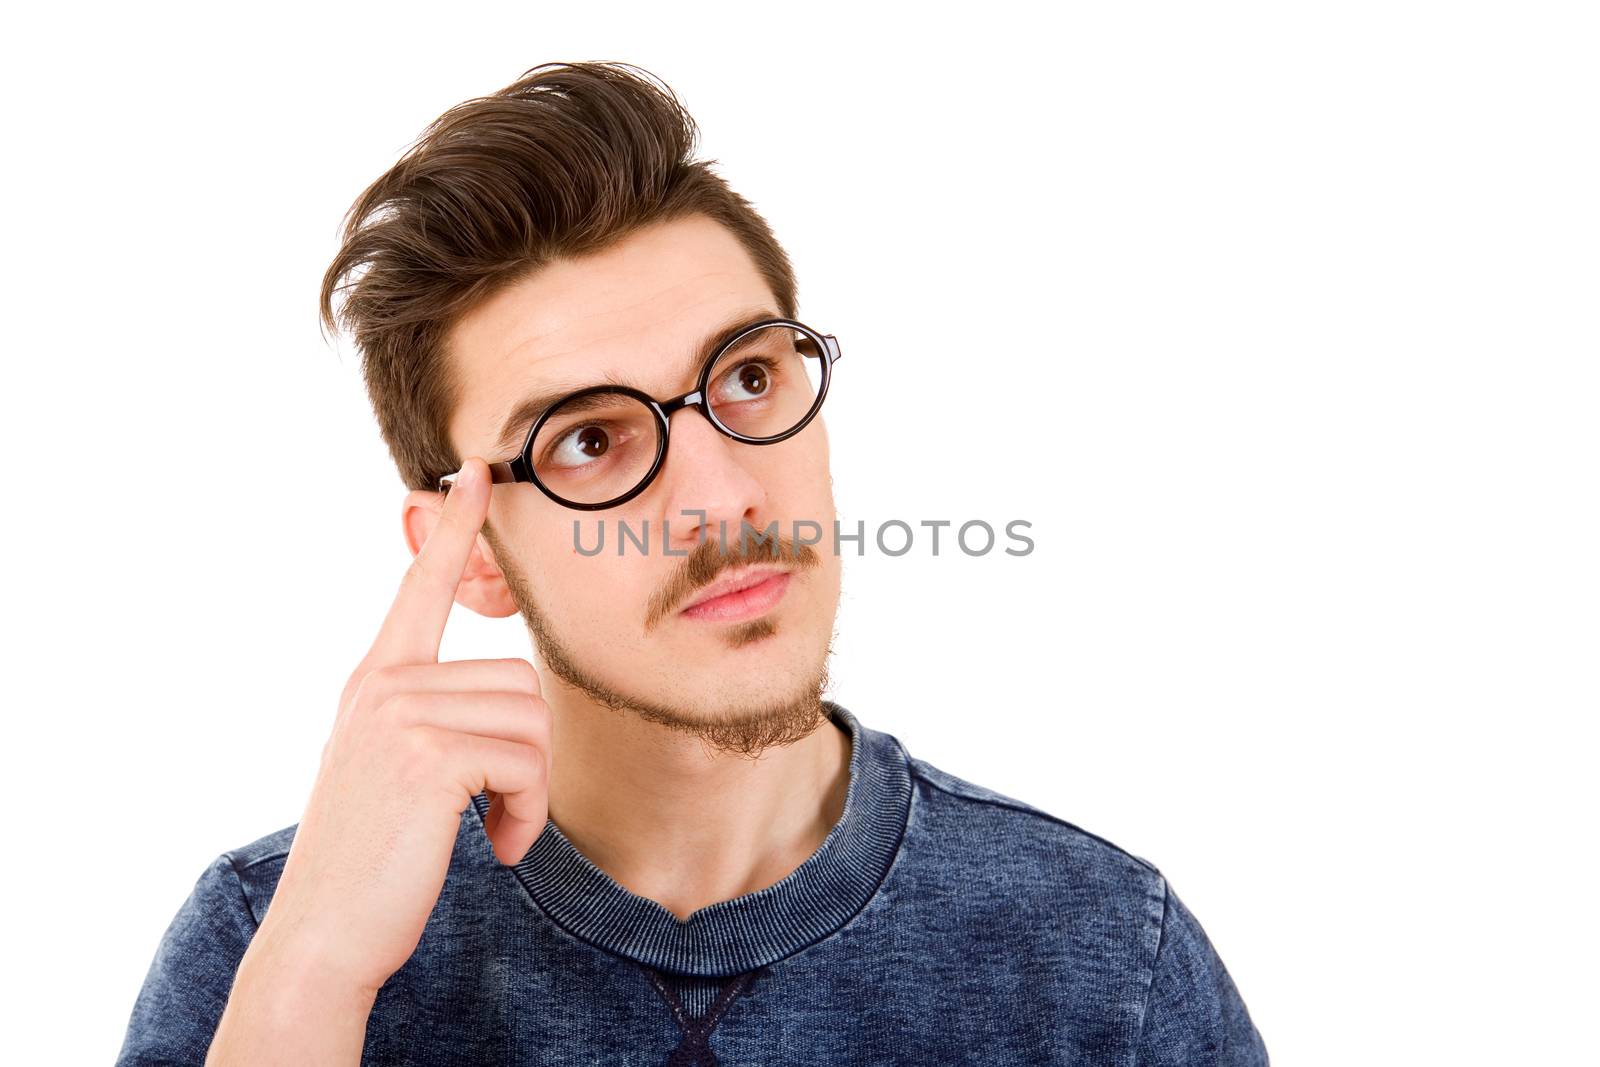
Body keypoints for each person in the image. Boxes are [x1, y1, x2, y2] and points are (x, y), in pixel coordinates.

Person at [115, 61, 1269, 1065]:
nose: (723, 500)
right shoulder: (267, 943)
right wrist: (312, 976)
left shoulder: (1106, 951)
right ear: (472, 557)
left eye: (750, 378)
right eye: (589, 440)